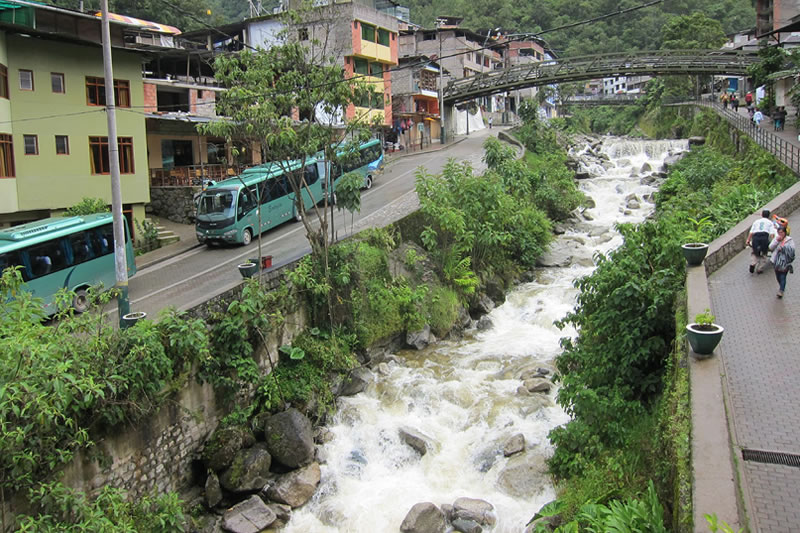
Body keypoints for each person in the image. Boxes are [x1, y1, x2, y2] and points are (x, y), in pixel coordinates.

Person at [745, 209, 777, 274]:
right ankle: (759, 268)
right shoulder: (770, 222)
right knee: (764, 252)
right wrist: (773, 242)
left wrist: (748, 239)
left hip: (756, 237)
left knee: (754, 251)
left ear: (762, 215)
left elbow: (751, 232)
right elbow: (772, 234)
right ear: (768, 216)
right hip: (764, 237)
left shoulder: (756, 221)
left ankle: (753, 263)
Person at [769, 226, 795, 298]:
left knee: (783, 276)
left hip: (785, 261)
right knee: (778, 276)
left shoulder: (789, 240)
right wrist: (776, 241)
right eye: (779, 232)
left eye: (782, 232)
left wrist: (783, 248)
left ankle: (781, 290)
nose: (780, 234)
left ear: (785, 232)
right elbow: (771, 247)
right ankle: (782, 286)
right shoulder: (776, 239)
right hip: (776, 261)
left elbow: (792, 249)